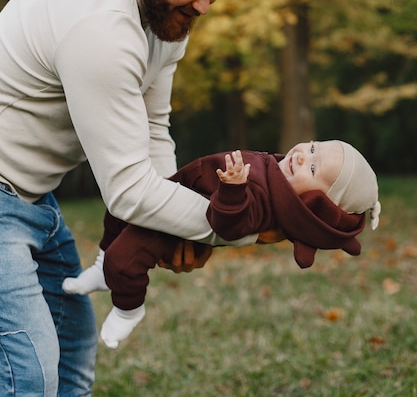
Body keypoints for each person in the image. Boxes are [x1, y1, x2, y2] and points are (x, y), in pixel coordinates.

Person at [0, 0, 256, 397]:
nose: (205, 6)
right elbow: (128, 191)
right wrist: (236, 226)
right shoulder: (103, 29)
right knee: (27, 372)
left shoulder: (163, 15)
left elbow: (152, 129)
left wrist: (178, 224)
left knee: (73, 349)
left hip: (31, 198)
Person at [63, 140, 381, 348]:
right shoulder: (277, 173)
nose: (301, 155)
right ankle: (101, 267)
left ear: (314, 203)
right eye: (313, 147)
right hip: (176, 190)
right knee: (116, 215)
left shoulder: (267, 204)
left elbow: (229, 226)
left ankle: (127, 308)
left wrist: (233, 189)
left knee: (126, 257)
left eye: (312, 168)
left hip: (172, 225)